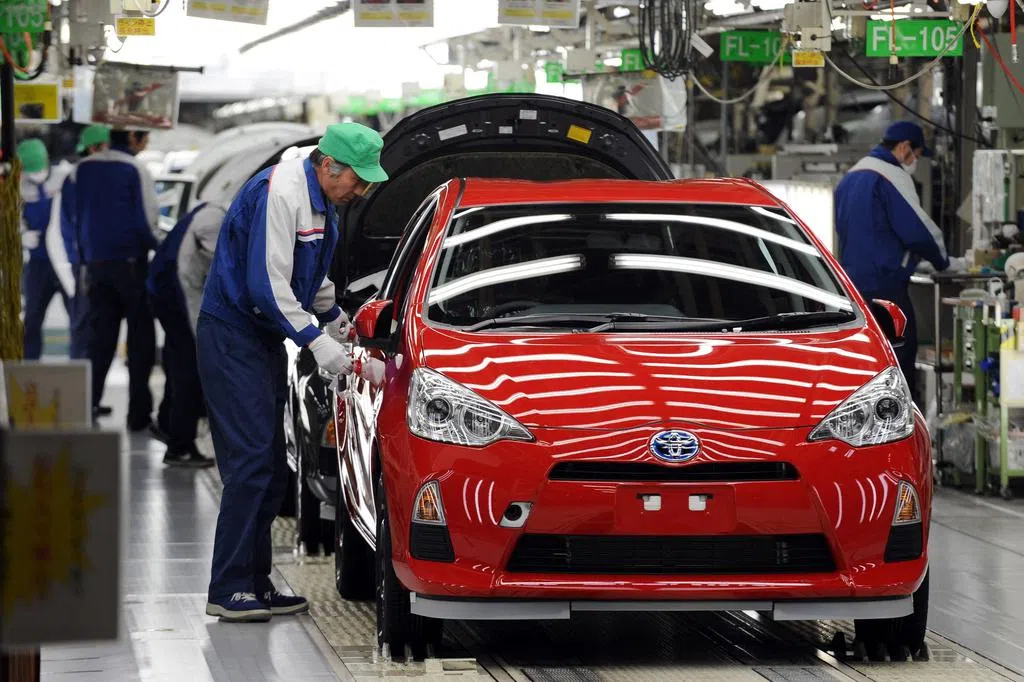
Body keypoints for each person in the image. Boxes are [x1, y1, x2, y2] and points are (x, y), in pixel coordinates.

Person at [198, 122, 387, 622]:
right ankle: (228, 587)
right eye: (358, 179)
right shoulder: (278, 194)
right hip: (232, 336)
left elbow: (309, 272)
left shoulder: (322, 201)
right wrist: (318, 343)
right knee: (250, 463)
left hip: (260, 338)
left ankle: (255, 583)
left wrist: (335, 317)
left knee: (268, 461)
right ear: (329, 166)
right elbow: (267, 284)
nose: (361, 191)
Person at [834, 120, 966, 401]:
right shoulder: (890, 175)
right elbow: (919, 230)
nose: (914, 161)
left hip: (851, 286)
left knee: (866, 361)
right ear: (905, 147)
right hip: (886, 286)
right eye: (915, 155)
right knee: (898, 358)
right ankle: (902, 420)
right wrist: (943, 262)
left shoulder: (849, 178)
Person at [73, 126, 162, 428]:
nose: (146, 143)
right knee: (140, 339)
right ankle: (138, 415)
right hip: (130, 265)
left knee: (100, 339)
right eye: (145, 137)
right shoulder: (135, 169)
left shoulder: (82, 169)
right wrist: (161, 249)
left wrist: (85, 257)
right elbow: (147, 220)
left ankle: (89, 403)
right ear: (133, 138)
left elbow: (75, 216)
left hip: (95, 266)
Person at [147, 203, 216, 468]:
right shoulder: (215, 220)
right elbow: (223, 267)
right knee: (189, 370)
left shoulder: (209, 210)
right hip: (177, 295)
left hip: (165, 291)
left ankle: (167, 424)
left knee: (177, 364)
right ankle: (180, 447)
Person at [17, 138, 72, 359]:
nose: (35, 174)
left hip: (66, 261)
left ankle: (81, 362)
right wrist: (21, 235)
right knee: (32, 318)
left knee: (78, 316)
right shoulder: (18, 186)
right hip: (38, 264)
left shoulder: (65, 177)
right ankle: (29, 366)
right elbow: (10, 218)